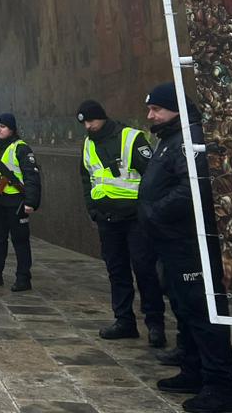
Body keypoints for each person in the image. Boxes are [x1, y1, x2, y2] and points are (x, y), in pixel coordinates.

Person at [138, 83, 232, 413]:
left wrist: (155, 211)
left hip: (190, 244)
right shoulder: (169, 139)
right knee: (184, 308)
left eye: (156, 109)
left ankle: (219, 388)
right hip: (171, 243)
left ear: (176, 110)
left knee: (204, 314)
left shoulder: (189, 140)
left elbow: (193, 188)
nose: (150, 115)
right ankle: (192, 371)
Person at [76, 99, 166, 346]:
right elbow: (87, 177)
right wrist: (92, 209)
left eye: (91, 121)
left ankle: (155, 323)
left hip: (135, 217)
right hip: (107, 218)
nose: (88, 126)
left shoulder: (130, 138)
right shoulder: (87, 144)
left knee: (144, 270)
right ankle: (124, 320)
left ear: (102, 117)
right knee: (116, 271)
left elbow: (151, 176)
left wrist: (147, 210)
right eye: (84, 123)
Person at [0, 112, 40, 291]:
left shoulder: (21, 148)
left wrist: (31, 202)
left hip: (15, 202)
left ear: (11, 129)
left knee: (20, 240)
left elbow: (32, 176)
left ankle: (23, 278)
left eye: (2, 126)